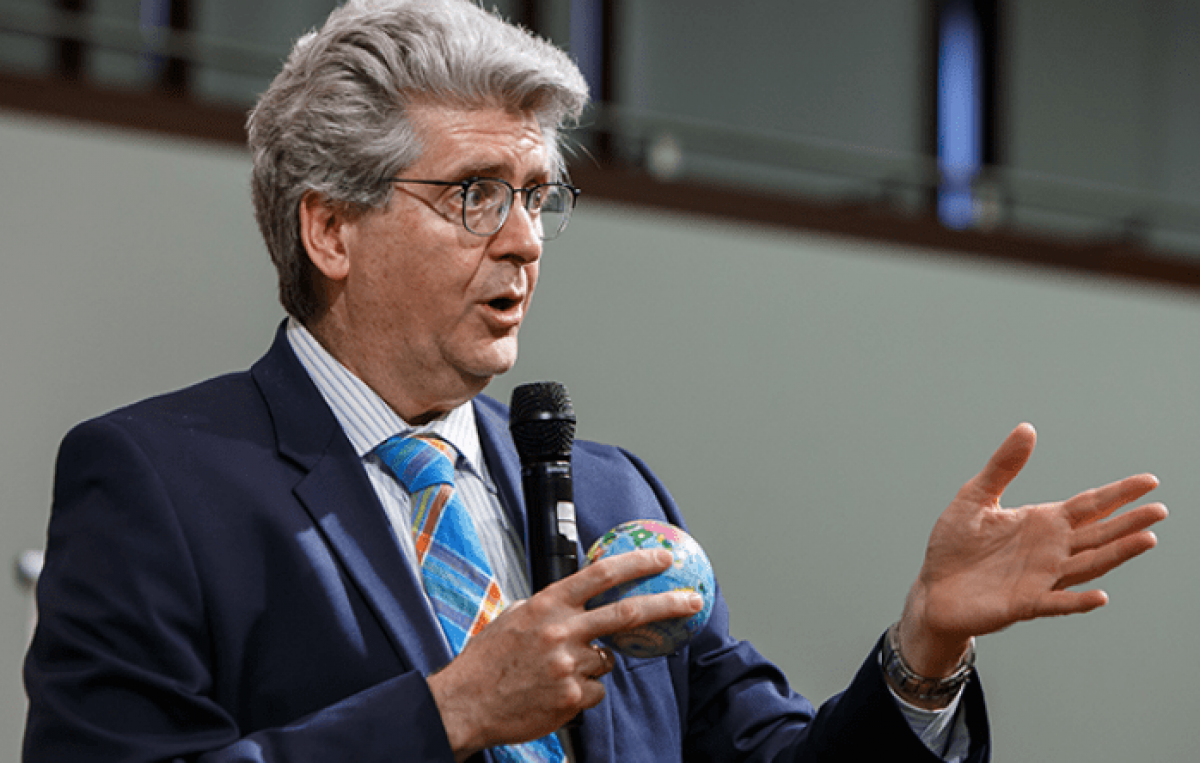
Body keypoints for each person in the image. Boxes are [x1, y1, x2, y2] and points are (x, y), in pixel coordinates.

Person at [22, 1, 1168, 761]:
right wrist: (452, 711)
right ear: (330, 228)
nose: (523, 239)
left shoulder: (618, 498)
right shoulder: (159, 483)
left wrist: (922, 653)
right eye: (474, 193)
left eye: (538, 195)